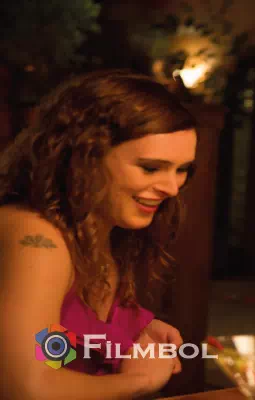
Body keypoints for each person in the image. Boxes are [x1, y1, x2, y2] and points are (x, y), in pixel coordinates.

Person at [0, 70, 198, 399]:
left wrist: (128, 332)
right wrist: (140, 381)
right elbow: (24, 388)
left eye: (182, 170)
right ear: (85, 155)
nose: (172, 187)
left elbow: (56, 349)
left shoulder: (99, 228)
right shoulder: (37, 237)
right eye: (151, 168)